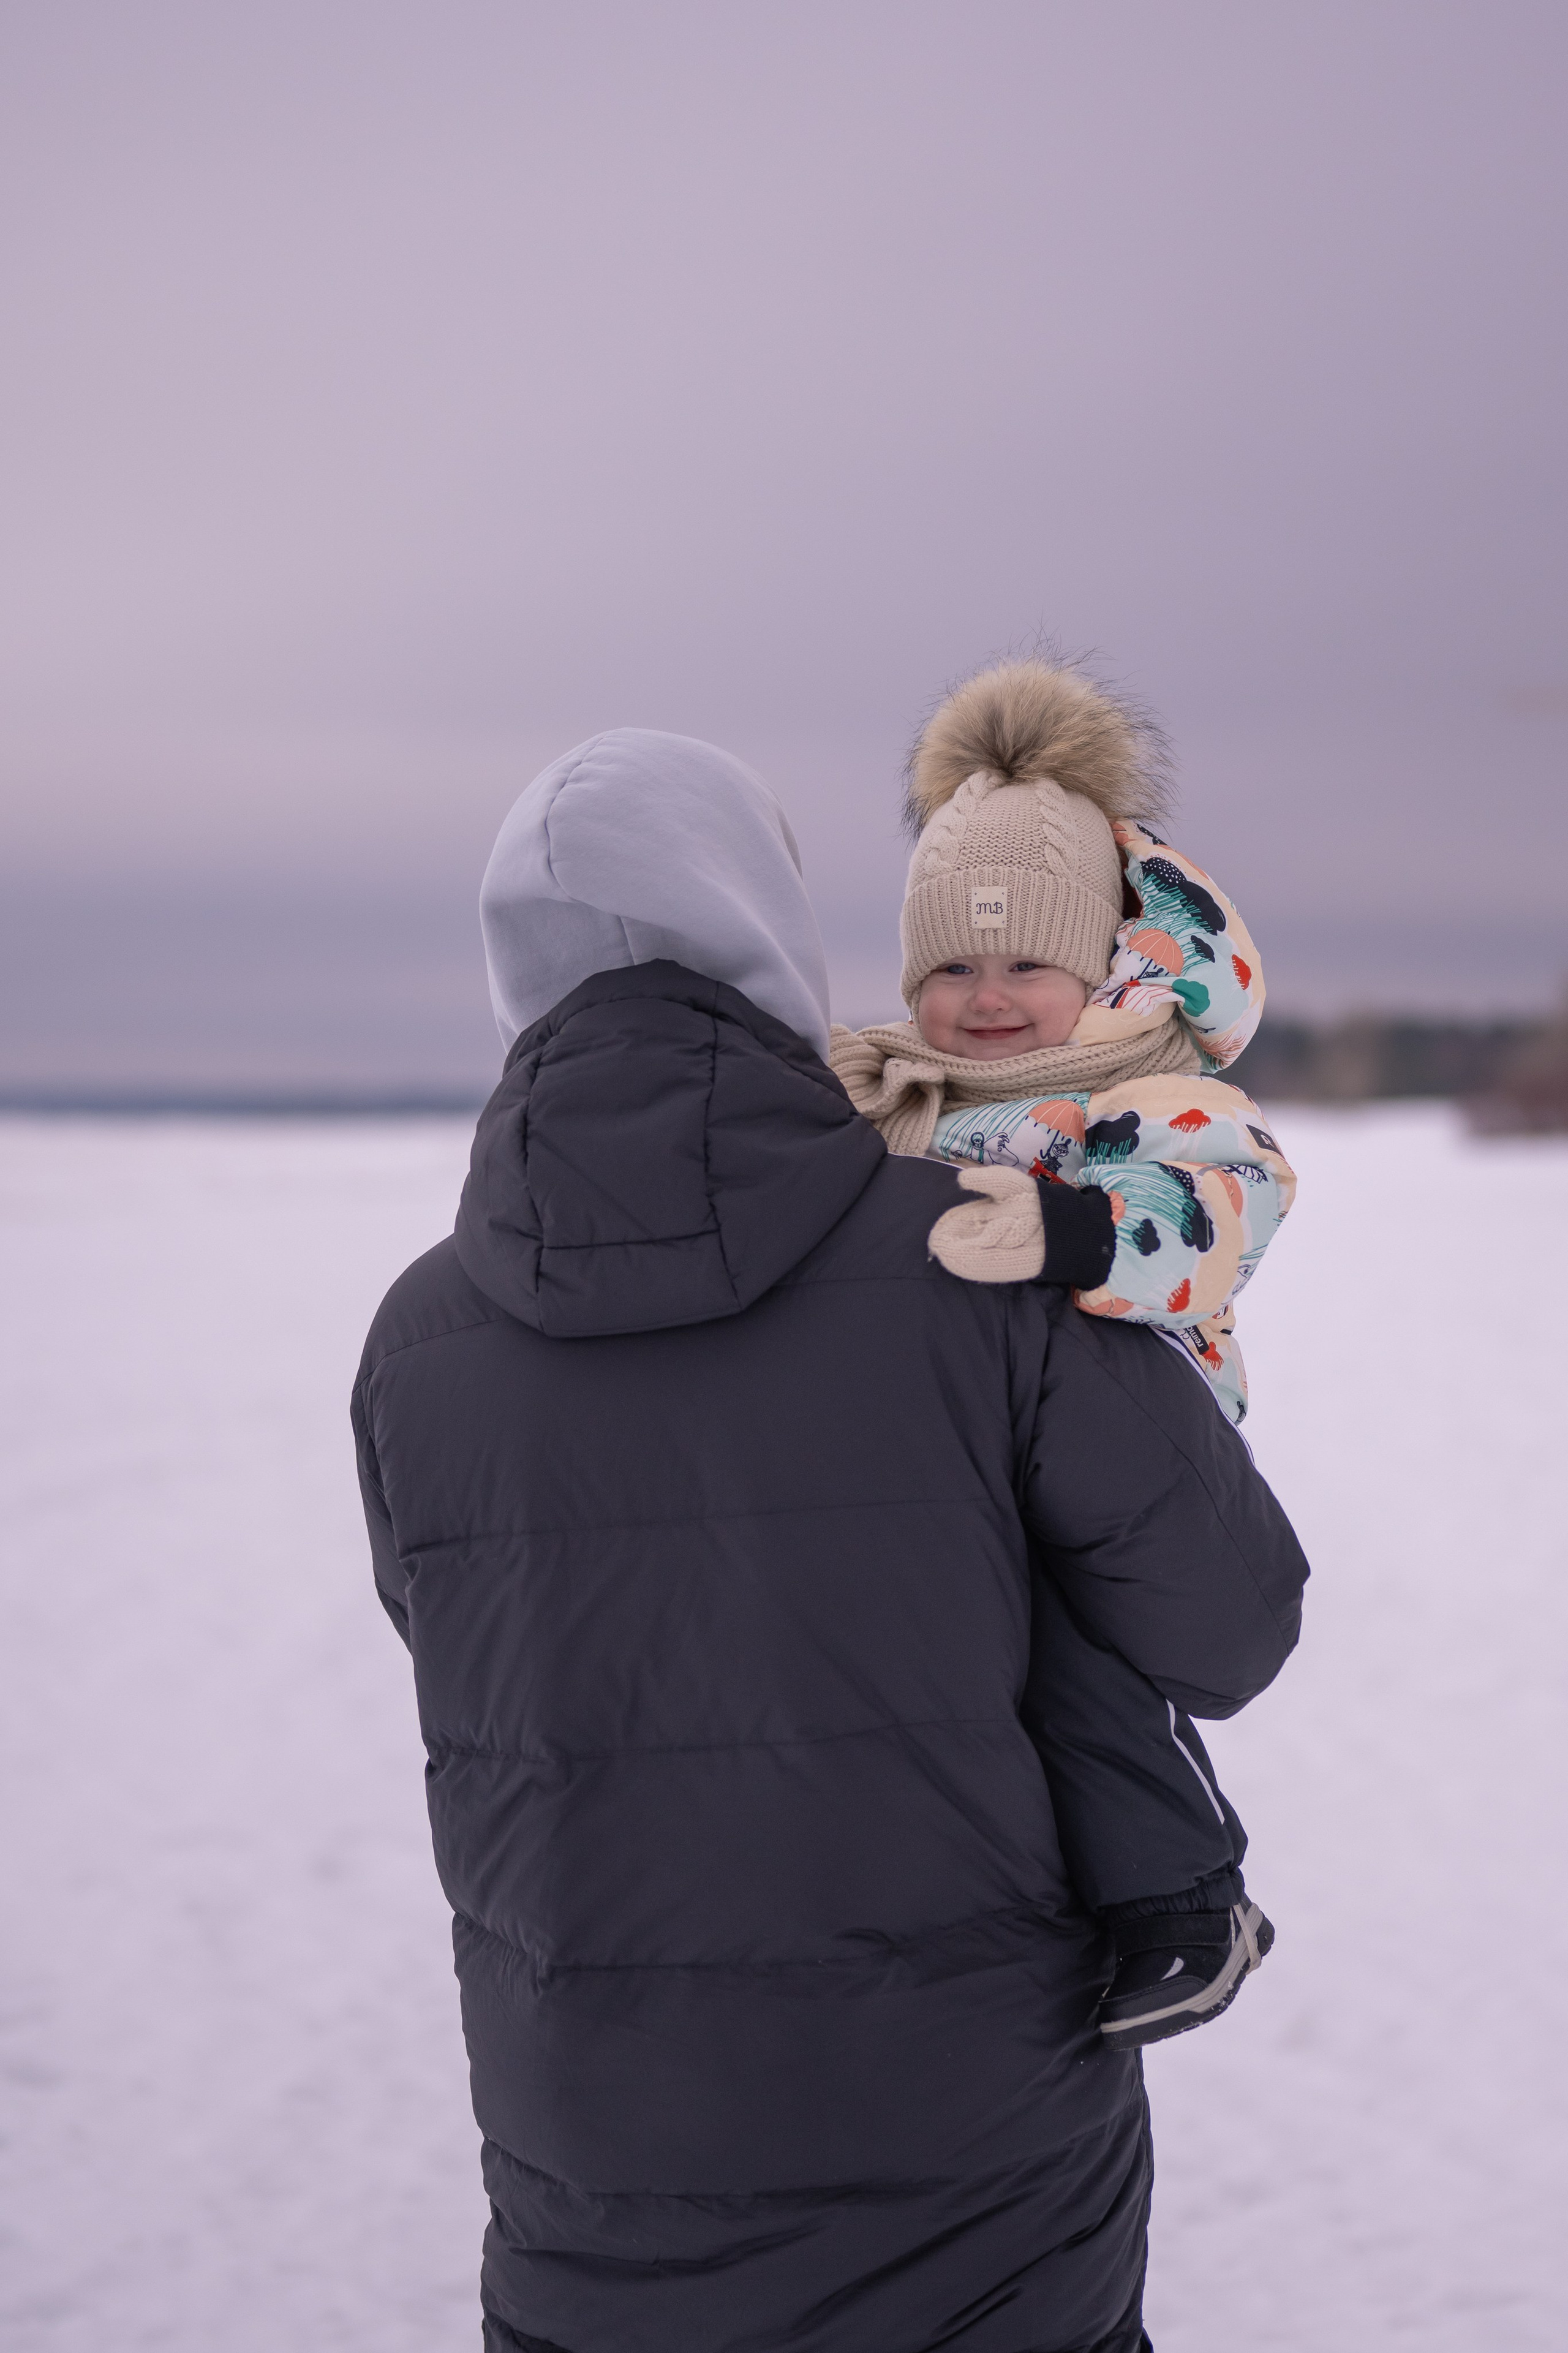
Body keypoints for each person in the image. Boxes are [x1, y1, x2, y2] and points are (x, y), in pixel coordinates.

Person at [352, 725, 1309, 2353]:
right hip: (980, 2177)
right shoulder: (973, 1258)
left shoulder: (417, 1343)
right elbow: (1231, 1620)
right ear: (767, 929)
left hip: (592, 2173)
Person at [830, 660, 1302, 2050]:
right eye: (952, 969)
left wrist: (1073, 1229)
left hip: (1127, 1448)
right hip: (953, 1456)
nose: (986, 1002)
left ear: (1095, 962)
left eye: (1024, 963)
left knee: (1072, 1660)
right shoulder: (890, 1101)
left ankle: (1183, 1897)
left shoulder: (1146, 1093)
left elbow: (1219, 1213)